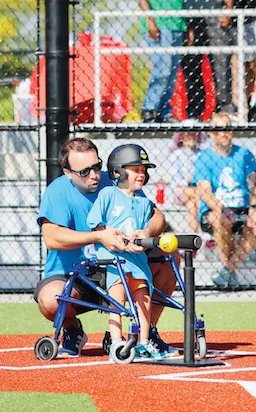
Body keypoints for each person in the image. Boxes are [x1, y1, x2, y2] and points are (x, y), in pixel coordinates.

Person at [35, 138, 176, 358]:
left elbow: (157, 216)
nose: (93, 175)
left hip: (121, 265)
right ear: (67, 172)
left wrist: (147, 232)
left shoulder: (115, 181)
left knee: (170, 256)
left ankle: (147, 332)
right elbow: (52, 238)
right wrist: (99, 236)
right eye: (84, 171)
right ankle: (73, 330)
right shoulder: (57, 191)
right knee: (49, 300)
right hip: (76, 274)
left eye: (96, 166)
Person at [87, 144, 169, 360]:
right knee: (117, 301)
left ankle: (143, 343)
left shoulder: (143, 201)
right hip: (114, 260)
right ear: (118, 171)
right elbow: (94, 223)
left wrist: (144, 235)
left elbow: (152, 224)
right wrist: (110, 234)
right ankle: (116, 342)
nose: (141, 174)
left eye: (143, 171)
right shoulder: (108, 194)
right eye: (136, 170)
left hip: (137, 261)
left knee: (144, 299)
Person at [194, 112, 256, 287]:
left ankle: (227, 269)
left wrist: (254, 208)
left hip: (241, 207)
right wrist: (221, 208)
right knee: (220, 219)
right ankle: (229, 270)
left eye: (227, 129)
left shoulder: (244, 154)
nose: (223, 133)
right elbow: (204, 192)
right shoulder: (205, 158)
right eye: (218, 130)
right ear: (211, 134)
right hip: (215, 210)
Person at [136, 0, 187, 123]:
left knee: (172, 71)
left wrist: (186, 26)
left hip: (177, 24)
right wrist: (150, 20)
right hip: (160, 23)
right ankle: (149, 109)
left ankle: (165, 111)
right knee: (162, 68)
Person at [161, 130, 206, 233]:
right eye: (187, 135)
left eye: (194, 134)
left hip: (198, 190)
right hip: (181, 190)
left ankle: (194, 235)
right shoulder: (176, 154)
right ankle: (205, 226)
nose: (191, 137)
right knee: (197, 195)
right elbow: (176, 179)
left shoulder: (202, 154)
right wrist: (190, 180)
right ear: (181, 137)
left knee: (192, 203)